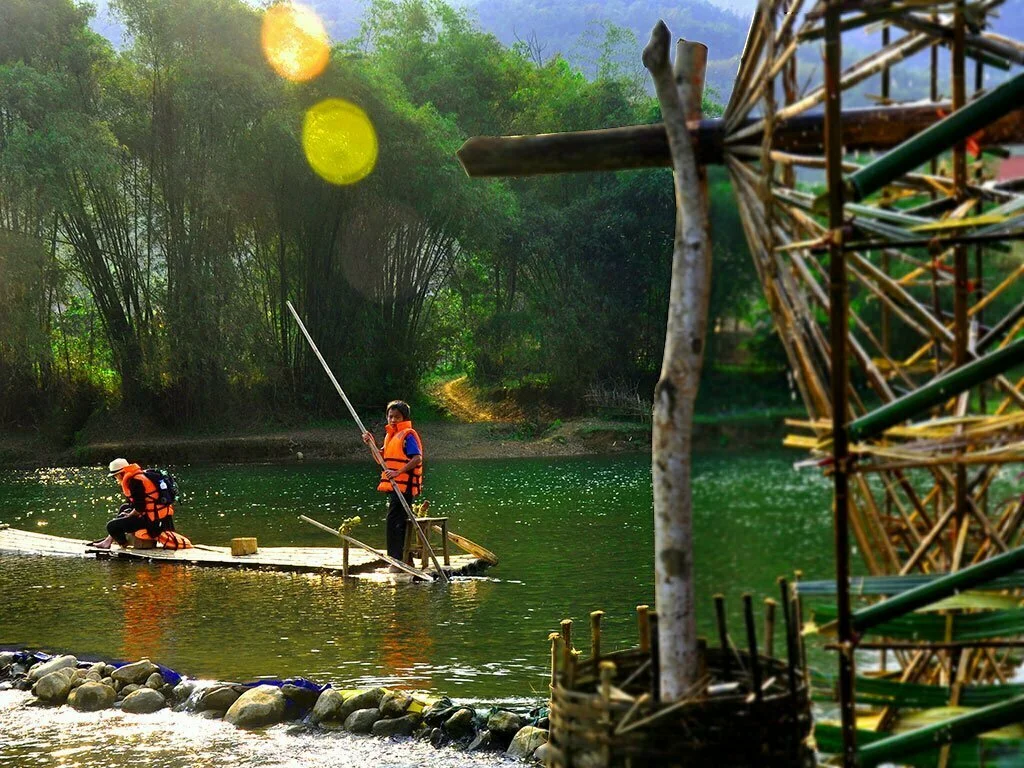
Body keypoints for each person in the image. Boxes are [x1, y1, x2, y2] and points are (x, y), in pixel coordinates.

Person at [361, 400, 423, 570]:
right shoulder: (390, 436)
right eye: (390, 416)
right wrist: (370, 443)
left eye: (397, 417)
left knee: (395, 522)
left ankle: (397, 560)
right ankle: (405, 559)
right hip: (395, 488)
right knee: (396, 522)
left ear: (404, 418)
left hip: (405, 487)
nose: (393, 420)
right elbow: (381, 459)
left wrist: (398, 472)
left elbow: (417, 458)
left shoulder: (407, 435)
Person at [89, 458, 180, 550]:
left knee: (111, 526)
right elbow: (139, 504)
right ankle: (108, 540)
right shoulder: (141, 476)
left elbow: (140, 508)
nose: (116, 479)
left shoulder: (135, 482)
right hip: (162, 519)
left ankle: (123, 543)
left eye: (115, 476)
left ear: (121, 474)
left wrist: (128, 515)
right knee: (124, 507)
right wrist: (127, 514)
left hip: (153, 523)